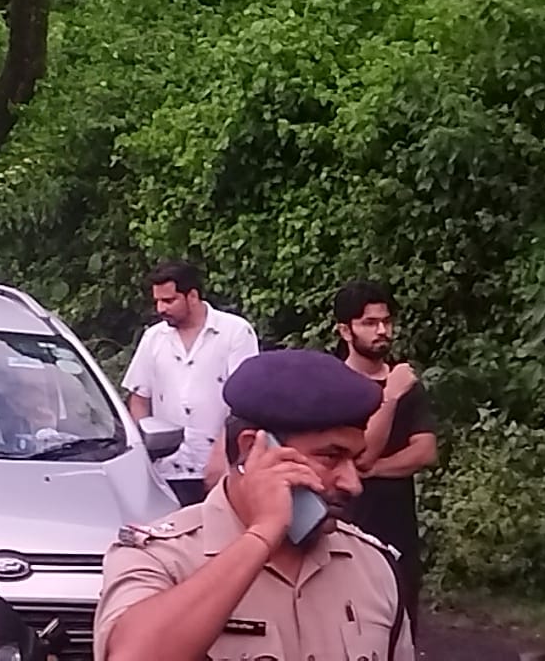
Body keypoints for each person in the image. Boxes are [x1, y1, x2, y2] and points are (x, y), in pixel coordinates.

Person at [94, 349, 416, 661]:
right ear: (252, 448)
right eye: (330, 457)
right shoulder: (160, 558)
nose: (352, 483)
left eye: (355, 459)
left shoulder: (373, 567)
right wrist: (262, 535)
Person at [334, 279, 438, 635]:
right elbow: (362, 451)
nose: (382, 331)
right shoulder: (335, 385)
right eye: (369, 323)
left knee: (402, 626)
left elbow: (424, 451)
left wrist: (375, 469)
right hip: (347, 526)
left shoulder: (406, 382)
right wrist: (389, 398)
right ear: (344, 330)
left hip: (399, 528)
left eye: (386, 321)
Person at [121, 260, 259, 506]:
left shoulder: (235, 332)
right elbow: (139, 396)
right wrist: (143, 450)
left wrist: (222, 454)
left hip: (221, 465)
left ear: (192, 296)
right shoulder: (154, 337)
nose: (161, 309)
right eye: (157, 302)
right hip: (165, 467)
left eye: (169, 300)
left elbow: (245, 402)